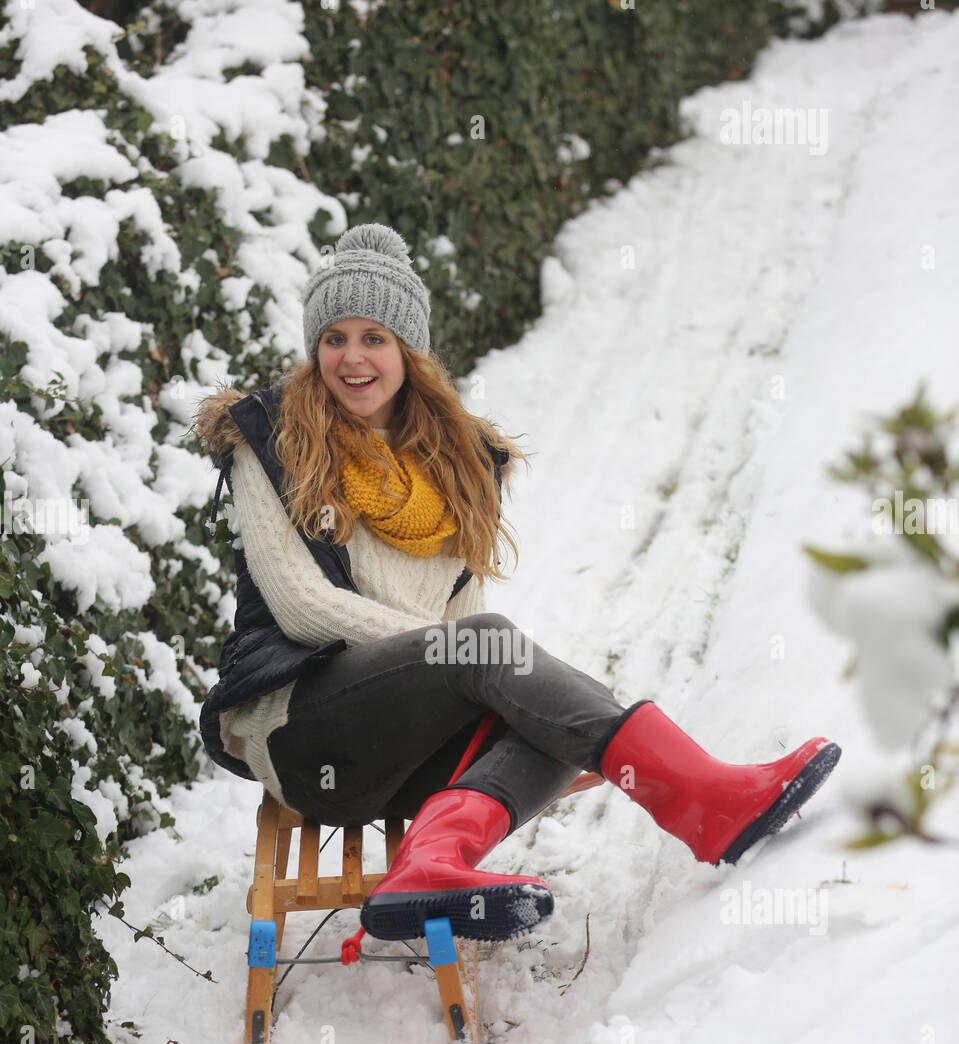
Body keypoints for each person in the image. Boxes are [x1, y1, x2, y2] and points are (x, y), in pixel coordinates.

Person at [193, 223, 841, 944]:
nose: (352, 357)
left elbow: (460, 619)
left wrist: (473, 667)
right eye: (334, 337)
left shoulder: (457, 461)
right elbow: (301, 605)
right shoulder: (273, 441)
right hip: (304, 734)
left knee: (544, 719)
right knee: (489, 655)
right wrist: (457, 654)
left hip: (401, 745)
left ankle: (429, 868)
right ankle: (700, 795)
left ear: (407, 350)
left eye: (374, 337)